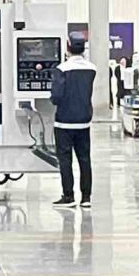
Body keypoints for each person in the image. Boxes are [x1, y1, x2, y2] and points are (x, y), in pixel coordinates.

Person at [49, 36, 99, 206]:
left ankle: (68, 196)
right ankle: (86, 197)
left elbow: (56, 96)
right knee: (84, 159)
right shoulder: (91, 69)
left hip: (64, 122)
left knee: (65, 160)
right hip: (84, 121)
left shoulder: (61, 69)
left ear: (68, 47)